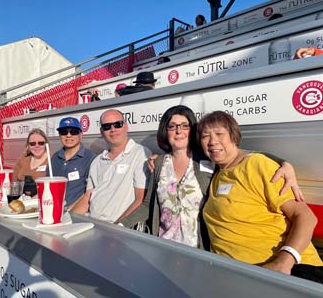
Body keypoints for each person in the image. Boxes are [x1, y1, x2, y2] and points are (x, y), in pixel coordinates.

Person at [121, 106, 303, 248]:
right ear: (165, 131)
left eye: (185, 126)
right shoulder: (158, 163)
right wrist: (120, 226)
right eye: (172, 126)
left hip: (199, 249)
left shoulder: (208, 159)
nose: (178, 131)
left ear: (193, 131)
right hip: (165, 246)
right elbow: (147, 204)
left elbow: (239, 154)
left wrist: (284, 163)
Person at [198, 111, 323, 282]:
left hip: (288, 274)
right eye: (205, 136)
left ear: (234, 136)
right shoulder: (217, 175)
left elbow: (306, 217)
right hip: (244, 277)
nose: (212, 141)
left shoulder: (257, 164)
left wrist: (283, 262)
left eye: (219, 134)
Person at [72, 109, 151, 222]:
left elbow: (140, 199)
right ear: (101, 131)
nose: (113, 129)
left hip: (118, 229)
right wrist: (69, 220)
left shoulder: (140, 154)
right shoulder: (97, 161)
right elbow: (87, 198)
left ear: (126, 126)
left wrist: (118, 226)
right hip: (92, 223)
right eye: (107, 126)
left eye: (117, 124)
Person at [47, 117, 96, 209]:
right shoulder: (54, 158)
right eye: (63, 132)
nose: (68, 135)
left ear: (81, 135)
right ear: (59, 136)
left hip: (76, 214)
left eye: (73, 132)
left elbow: (90, 192)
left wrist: (70, 209)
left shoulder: (91, 158)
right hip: (53, 209)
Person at [13, 128, 49, 196]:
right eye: (32, 143)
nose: (37, 146)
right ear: (28, 146)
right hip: (22, 201)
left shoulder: (52, 160)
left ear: (46, 144)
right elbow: (14, 183)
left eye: (41, 143)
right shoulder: (23, 159)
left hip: (43, 200)